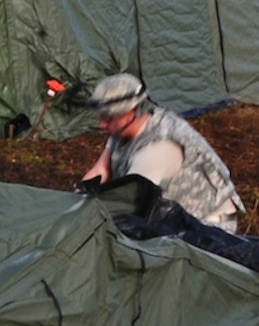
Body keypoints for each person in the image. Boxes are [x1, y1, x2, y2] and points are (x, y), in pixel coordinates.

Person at [79, 73, 242, 231]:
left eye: (108, 118)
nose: (102, 124)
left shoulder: (157, 148)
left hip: (206, 227)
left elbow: (127, 206)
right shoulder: (124, 129)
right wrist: (76, 202)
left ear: (130, 113)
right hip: (168, 215)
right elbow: (101, 170)